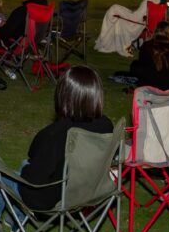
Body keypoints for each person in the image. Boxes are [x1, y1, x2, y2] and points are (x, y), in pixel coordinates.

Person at [16, 66, 114, 210]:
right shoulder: (106, 126)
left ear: (62, 95)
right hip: (89, 191)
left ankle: (7, 222)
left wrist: (24, 171)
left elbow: (34, 179)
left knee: (13, 172)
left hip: (54, 199)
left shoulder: (53, 134)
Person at [94, 0, 169, 57]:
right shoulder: (161, 2)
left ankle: (104, 40)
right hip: (142, 23)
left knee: (114, 9)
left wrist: (124, 13)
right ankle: (106, 40)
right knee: (116, 11)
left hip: (135, 25)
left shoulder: (149, 1)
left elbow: (134, 17)